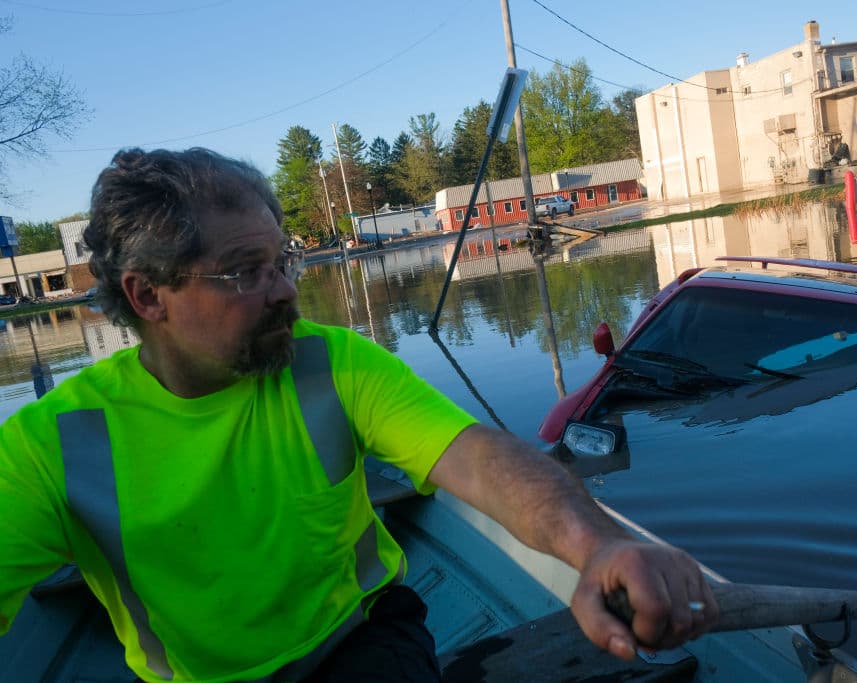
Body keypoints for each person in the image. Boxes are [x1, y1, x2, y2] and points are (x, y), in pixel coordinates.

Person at [0, 148, 719, 682]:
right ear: (148, 296)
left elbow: (476, 457)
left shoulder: (329, 361)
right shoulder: (51, 444)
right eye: (245, 272)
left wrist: (596, 546)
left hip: (361, 642)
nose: (285, 290)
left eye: (283, 261)